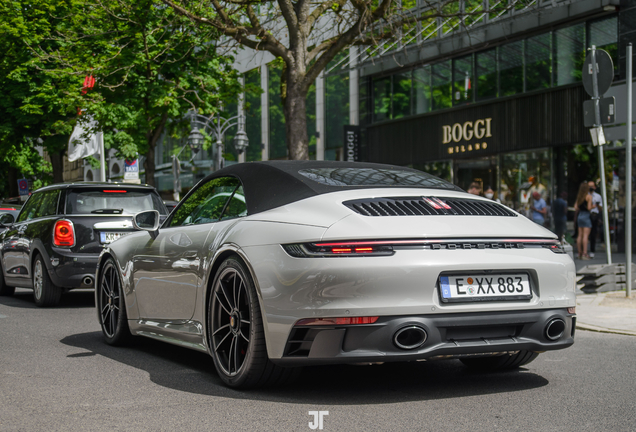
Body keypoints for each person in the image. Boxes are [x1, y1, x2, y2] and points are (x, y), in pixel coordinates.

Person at [575, 181, 596, 260]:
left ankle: (579, 252)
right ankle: (585, 253)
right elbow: (589, 207)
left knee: (579, 235)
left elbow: (576, 207)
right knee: (585, 236)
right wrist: (594, 206)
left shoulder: (579, 196)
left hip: (580, 215)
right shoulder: (589, 196)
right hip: (586, 216)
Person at [588, 180, 602, 258]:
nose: (591, 188)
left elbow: (601, 208)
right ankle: (584, 251)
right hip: (588, 215)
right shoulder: (585, 195)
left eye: (592, 186)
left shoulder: (598, 196)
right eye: (589, 186)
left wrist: (597, 205)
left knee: (593, 233)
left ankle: (592, 250)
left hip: (595, 215)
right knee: (586, 234)